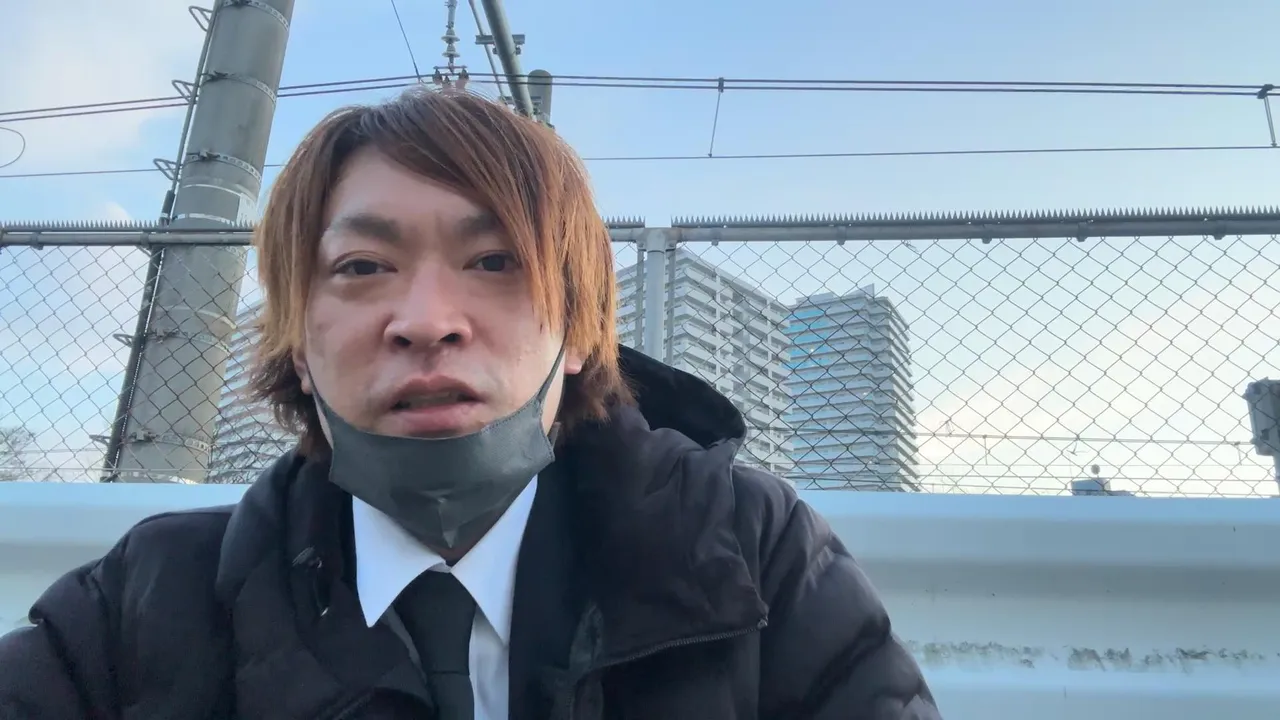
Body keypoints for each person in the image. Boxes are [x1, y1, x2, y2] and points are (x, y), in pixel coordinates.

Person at [0, 87, 941, 720]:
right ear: (296, 342)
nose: (425, 321)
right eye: (361, 267)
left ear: (580, 332)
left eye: (494, 262)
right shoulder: (146, 601)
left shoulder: (748, 553)